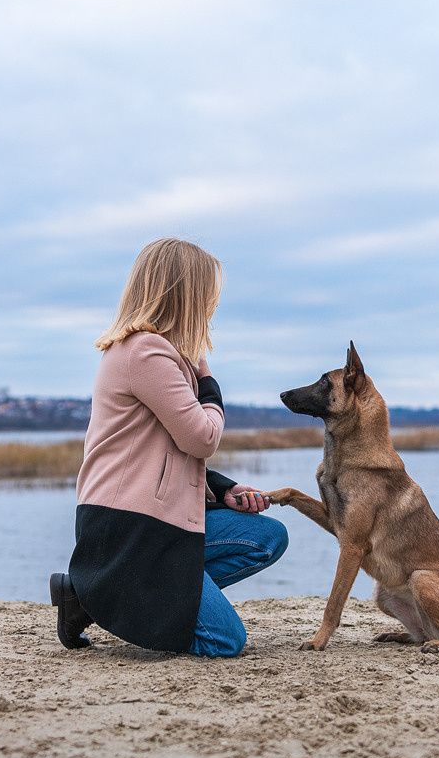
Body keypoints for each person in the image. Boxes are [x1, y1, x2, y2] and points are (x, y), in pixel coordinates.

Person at [50, 238, 288, 658]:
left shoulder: (160, 354)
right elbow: (201, 437)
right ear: (186, 294)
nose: (213, 304)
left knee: (266, 536)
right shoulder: (144, 352)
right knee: (225, 640)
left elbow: (158, 452)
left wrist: (223, 488)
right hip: (131, 530)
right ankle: (109, 593)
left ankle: (93, 595)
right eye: (209, 294)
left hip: (159, 521)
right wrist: (210, 387)